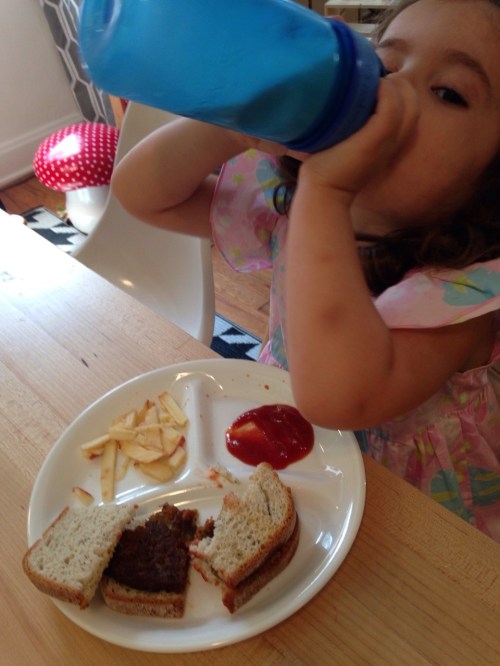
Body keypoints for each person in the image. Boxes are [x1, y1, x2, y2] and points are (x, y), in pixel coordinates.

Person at [111, 0, 500, 541]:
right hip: (302, 456)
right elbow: (140, 194)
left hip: (420, 517)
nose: (392, 94)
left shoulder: (466, 295)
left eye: (448, 92)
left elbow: (339, 396)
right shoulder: (291, 210)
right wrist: (238, 124)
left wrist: (329, 189)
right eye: (385, 66)